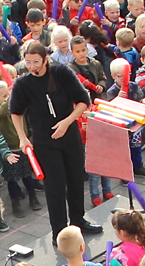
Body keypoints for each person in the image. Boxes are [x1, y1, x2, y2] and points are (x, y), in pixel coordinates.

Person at [9, 44, 97, 238]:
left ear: (45, 59)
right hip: (44, 141)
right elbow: (15, 112)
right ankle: (60, 231)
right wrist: (22, 138)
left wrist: (67, 122)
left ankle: (78, 220)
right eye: (28, 62)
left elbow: (83, 101)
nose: (32, 66)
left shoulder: (61, 73)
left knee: (75, 179)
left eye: (36, 62)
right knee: (54, 186)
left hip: (69, 135)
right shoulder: (23, 83)